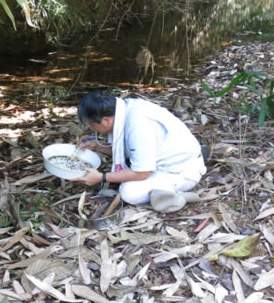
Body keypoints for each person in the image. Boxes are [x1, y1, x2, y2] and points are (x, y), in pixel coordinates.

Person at [70, 90, 206, 213]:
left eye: (92, 124)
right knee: (126, 178)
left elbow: (141, 173)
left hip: (179, 172)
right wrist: (96, 146)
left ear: (106, 120)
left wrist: (102, 177)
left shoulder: (139, 124)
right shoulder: (125, 109)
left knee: (129, 192)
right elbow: (127, 150)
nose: (91, 128)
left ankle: (176, 198)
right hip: (169, 159)